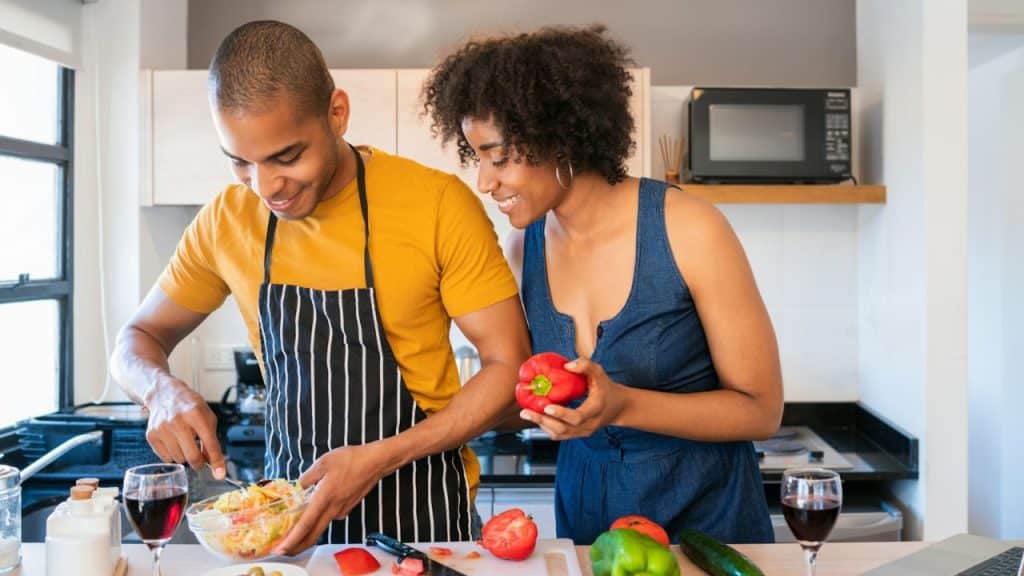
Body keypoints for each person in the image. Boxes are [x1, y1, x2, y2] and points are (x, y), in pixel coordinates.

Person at [111, 20, 529, 551]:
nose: (266, 188)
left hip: (425, 524)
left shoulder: (437, 205)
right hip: (289, 529)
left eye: (286, 156)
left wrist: (379, 458)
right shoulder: (227, 219)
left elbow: (509, 365)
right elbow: (136, 338)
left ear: (337, 113)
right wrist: (158, 389)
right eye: (241, 161)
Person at [422, 25, 783, 545]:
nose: (484, 181)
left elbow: (761, 409)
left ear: (561, 138)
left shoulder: (690, 228)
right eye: (476, 157)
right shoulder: (527, 247)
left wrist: (623, 405)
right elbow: (530, 391)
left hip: (706, 516)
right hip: (589, 513)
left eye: (498, 158)